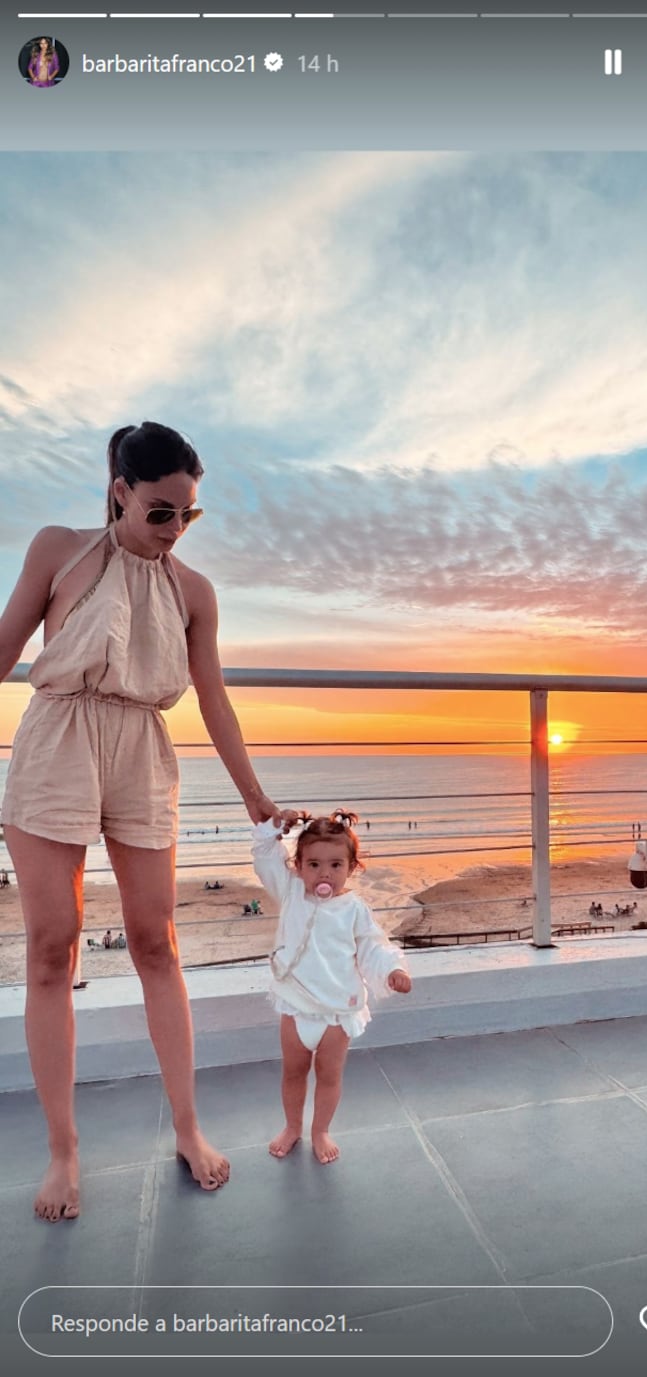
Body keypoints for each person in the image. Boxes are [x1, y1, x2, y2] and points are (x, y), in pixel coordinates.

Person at [0, 420, 291, 1222]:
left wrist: (254, 794)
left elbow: (216, 698)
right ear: (120, 491)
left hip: (141, 747)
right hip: (56, 734)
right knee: (53, 948)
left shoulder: (193, 591)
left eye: (188, 516)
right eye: (161, 511)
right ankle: (64, 1148)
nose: (173, 530)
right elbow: (3, 649)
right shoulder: (59, 548)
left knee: (157, 942)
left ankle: (189, 1128)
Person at [251, 808, 411, 1165]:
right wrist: (273, 829)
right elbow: (265, 858)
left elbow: (373, 945)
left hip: (337, 1012)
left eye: (335, 865)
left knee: (329, 1076)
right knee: (293, 1073)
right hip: (296, 1006)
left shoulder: (354, 908)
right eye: (314, 865)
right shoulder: (291, 892)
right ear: (298, 865)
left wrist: (392, 970)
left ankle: (320, 1130)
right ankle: (292, 1126)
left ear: (352, 867)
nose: (324, 873)